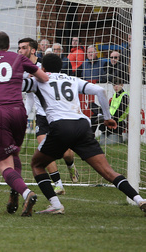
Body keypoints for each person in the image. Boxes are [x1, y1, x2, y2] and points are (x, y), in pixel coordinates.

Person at [24, 53, 146, 215]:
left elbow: (15, 86)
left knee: (37, 165)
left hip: (60, 127)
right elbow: (100, 91)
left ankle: (56, 204)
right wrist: (107, 118)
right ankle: (140, 200)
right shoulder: (72, 79)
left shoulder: (39, 81)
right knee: (107, 171)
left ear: (43, 68)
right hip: (82, 126)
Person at [0, 31, 49, 217]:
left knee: (3, 164)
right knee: (13, 152)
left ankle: (27, 193)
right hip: (18, 112)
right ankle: (14, 192)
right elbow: (43, 77)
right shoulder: (18, 58)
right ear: (9, 46)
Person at [18, 38, 78, 197]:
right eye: (18, 48)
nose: (19, 51)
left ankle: (71, 165)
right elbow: (30, 96)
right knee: (44, 150)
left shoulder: (44, 66)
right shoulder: (22, 70)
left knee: (66, 154)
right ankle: (58, 184)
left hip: (58, 115)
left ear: (32, 50)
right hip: (42, 117)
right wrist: (24, 115)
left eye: (23, 48)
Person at [98, 77, 128, 145]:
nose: (116, 87)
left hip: (118, 121)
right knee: (94, 109)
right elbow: (110, 108)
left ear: (122, 85)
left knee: (103, 126)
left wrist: (110, 119)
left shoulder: (125, 96)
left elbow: (120, 111)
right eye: (114, 85)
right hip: (111, 118)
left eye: (117, 85)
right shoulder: (115, 95)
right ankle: (91, 137)